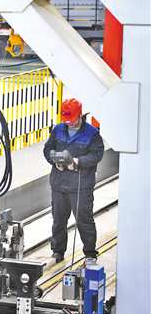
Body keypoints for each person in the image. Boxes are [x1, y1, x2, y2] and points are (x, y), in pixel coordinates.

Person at [43, 98, 104, 263]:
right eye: (66, 120)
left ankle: (90, 253)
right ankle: (58, 251)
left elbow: (97, 155)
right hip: (59, 184)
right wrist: (54, 161)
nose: (69, 123)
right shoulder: (58, 129)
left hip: (81, 186)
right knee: (58, 220)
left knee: (84, 220)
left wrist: (78, 162)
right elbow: (48, 149)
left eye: (72, 119)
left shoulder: (92, 133)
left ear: (80, 115)